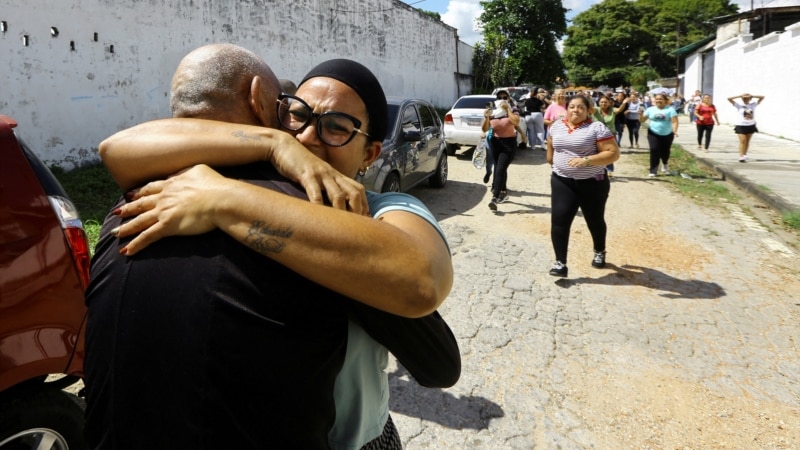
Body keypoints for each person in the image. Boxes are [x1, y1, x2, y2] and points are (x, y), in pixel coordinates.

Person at [87, 46, 459, 450]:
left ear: (371, 154)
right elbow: (116, 148)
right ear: (273, 112)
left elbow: (421, 279)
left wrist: (222, 197)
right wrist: (270, 145)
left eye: (337, 126)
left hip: (357, 437)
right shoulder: (217, 183)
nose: (307, 137)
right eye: (298, 115)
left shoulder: (383, 210)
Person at [546, 94, 619, 277]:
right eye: (572, 107)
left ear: (589, 111)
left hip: (592, 183)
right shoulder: (556, 126)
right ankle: (560, 263)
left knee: (594, 220)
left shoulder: (597, 128)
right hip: (562, 181)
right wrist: (555, 164)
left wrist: (587, 160)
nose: (575, 110)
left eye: (580, 107)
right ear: (566, 108)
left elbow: (613, 154)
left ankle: (599, 251)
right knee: (559, 221)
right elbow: (551, 148)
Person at [483, 93, 520, 211]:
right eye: (500, 98)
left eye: (505, 97)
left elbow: (516, 122)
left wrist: (507, 108)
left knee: (499, 169)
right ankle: (503, 191)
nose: (502, 100)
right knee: (500, 168)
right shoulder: (493, 111)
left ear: (508, 99)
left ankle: (495, 197)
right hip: (495, 143)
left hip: (509, 144)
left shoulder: (513, 108)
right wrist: (486, 117)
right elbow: (484, 129)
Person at [640, 93, 679, 177]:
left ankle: (665, 163)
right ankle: (653, 170)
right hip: (653, 133)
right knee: (654, 150)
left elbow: (675, 121)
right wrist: (640, 115)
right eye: (657, 99)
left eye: (661, 99)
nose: (658, 100)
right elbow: (642, 120)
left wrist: (674, 131)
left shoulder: (670, 110)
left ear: (665, 100)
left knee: (665, 151)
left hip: (667, 134)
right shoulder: (650, 109)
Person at [728, 93, 765, 162]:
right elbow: (729, 99)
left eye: (747, 98)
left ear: (750, 99)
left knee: (747, 141)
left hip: (750, 125)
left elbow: (762, 97)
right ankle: (741, 156)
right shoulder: (739, 106)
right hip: (741, 125)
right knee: (743, 140)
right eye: (744, 98)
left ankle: (745, 154)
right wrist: (739, 95)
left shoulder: (753, 105)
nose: (745, 99)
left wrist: (753, 96)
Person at [592, 94, 617, 176]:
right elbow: (590, 109)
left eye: (605, 102)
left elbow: (619, 110)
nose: (603, 104)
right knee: (597, 153)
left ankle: (609, 169)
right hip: (596, 135)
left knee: (609, 153)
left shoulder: (612, 110)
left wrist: (624, 103)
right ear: (598, 103)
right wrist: (587, 99)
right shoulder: (596, 110)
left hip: (610, 135)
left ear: (609, 103)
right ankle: (598, 170)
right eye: (601, 102)